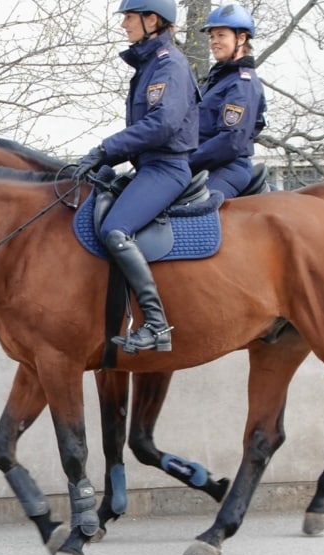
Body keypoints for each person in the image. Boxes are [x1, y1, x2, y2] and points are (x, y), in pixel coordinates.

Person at [72, 0, 200, 354]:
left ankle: (157, 325)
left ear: (152, 19)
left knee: (116, 230)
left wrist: (106, 148)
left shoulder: (169, 64)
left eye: (129, 17)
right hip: (148, 165)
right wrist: (105, 159)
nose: (124, 24)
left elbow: (162, 125)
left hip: (167, 168)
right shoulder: (148, 66)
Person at [189, 3, 267, 198]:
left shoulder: (242, 84)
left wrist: (187, 160)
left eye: (221, 35)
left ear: (241, 38)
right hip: (202, 164)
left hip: (227, 168)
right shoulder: (216, 81)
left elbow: (230, 141)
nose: (214, 41)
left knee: (195, 212)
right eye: (212, 36)